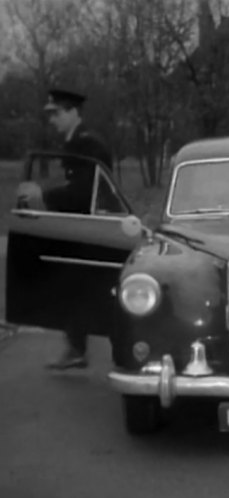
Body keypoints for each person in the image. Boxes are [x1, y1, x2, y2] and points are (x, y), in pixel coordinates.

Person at [41, 88, 114, 369]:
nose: (52, 120)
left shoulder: (88, 145)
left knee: (98, 290)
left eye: (57, 113)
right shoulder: (77, 143)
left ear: (73, 112)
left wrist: (46, 196)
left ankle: (124, 347)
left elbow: (85, 192)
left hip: (91, 228)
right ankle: (76, 348)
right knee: (74, 287)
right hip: (79, 228)